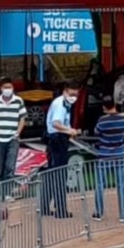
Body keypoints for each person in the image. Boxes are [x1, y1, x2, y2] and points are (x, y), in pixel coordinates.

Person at [41, 80, 80, 218]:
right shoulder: (60, 104)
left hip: (58, 139)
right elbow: (56, 123)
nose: (73, 97)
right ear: (65, 91)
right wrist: (70, 130)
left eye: (76, 94)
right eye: (71, 94)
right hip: (57, 140)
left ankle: (45, 206)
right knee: (59, 175)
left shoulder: (65, 104)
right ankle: (61, 209)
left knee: (52, 174)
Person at [92, 98, 124, 222]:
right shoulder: (123, 119)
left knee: (100, 185)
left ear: (104, 107)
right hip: (119, 154)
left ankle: (98, 213)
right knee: (122, 185)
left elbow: (97, 131)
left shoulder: (102, 120)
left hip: (104, 154)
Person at [0, 78, 26, 189]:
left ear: (13, 88)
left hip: (12, 139)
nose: (7, 90)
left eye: (9, 87)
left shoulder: (18, 101)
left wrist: (17, 133)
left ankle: (8, 193)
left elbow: (22, 119)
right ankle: (0, 195)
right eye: (5, 87)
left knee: (10, 168)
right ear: (1, 89)